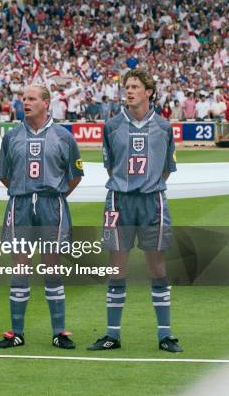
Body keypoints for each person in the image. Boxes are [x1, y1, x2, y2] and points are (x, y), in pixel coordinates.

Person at [88, 69, 182, 353]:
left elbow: (166, 169)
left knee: (157, 267)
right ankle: (112, 335)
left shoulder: (164, 128)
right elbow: (110, 166)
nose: (129, 91)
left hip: (153, 201)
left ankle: (165, 334)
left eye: (135, 87)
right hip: (119, 201)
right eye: (127, 87)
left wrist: (147, 185)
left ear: (149, 91)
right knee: (117, 267)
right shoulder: (112, 126)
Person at [0, 84, 83, 349]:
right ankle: (17, 332)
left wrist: (53, 196)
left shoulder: (63, 136)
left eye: (31, 99)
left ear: (46, 103)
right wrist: (26, 191)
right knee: (20, 266)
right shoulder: (12, 136)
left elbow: (75, 176)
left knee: (51, 266)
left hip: (51, 205)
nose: (25, 103)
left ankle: (59, 332)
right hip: (20, 204)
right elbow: (5, 174)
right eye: (24, 99)